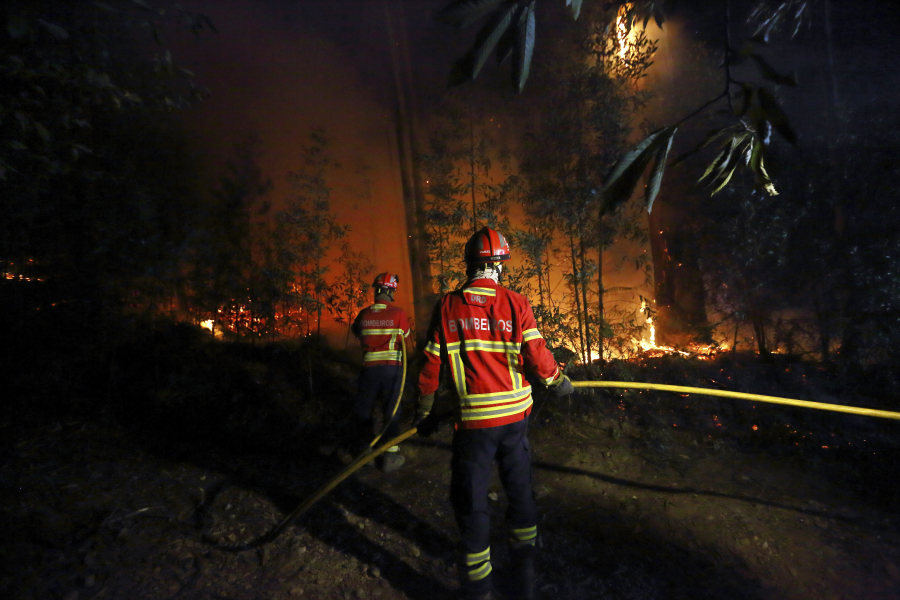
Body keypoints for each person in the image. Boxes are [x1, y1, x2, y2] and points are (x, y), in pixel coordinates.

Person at [415, 227, 573, 600]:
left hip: (473, 425)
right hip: (515, 422)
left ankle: (479, 591)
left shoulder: (448, 306)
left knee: (471, 503)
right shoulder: (516, 303)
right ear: (500, 264)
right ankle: (524, 578)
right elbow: (537, 356)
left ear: (469, 264)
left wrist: (424, 411)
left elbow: (431, 364)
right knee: (520, 493)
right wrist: (558, 381)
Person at [349, 272, 412, 473]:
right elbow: (406, 338)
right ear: (392, 291)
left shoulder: (364, 314)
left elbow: (356, 331)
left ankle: (364, 452)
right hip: (392, 370)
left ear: (376, 290)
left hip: (369, 370)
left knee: (364, 409)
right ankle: (390, 456)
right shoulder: (398, 314)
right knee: (391, 410)